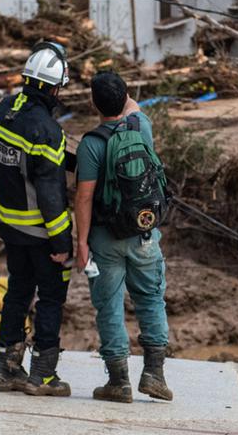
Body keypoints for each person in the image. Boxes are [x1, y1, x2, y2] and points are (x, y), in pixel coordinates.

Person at [72, 72, 172, 403]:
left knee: (109, 306)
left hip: (105, 239)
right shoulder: (140, 127)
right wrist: (125, 95)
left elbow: (84, 197)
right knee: (151, 299)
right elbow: (133, 106)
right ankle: (154, 374)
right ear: (126, 96)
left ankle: (119, 382)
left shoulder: (90, 144)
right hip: (144, 233)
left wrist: (81, 242)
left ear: (92, 103)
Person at [0, 44, 76, 396]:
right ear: (55, 88)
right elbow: (51, 193)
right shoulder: (48, 131)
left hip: (10, 227)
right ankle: (44, 375)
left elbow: (20, 159)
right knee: (51, 299)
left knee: (17, 294)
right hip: (41, 233)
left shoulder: (1, 111)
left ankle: (7, 370)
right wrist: (61, 243)